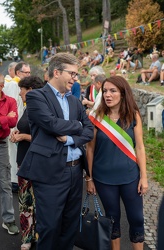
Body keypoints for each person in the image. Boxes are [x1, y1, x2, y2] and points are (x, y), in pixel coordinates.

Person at [17, 52, 94, 250]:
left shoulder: (75, 101)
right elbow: (52, 125)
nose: (76, 79)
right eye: (73, 74)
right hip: (50, 172)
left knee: (70, 227)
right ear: (57, 72)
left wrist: (69, 137)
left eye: (77, 75)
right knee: (50, 227)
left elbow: (89, 132)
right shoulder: (36, 96)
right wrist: (77, 124)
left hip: (75, 171)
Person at [86, 76, 148, 250]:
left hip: (130, 177)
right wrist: (89, 179)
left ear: (123, 93)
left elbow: (140, 148)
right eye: (105, 91)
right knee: (112, 219)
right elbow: (89, 149)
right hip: (104, 179)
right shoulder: (96, 117)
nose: (107, 94)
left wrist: (144, 177)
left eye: (113, 91)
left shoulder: (133, 115)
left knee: (137, 218)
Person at [10, 76, 44, 250]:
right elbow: (25, 127)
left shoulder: (41, 109)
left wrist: (23, 136)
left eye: (21, 89)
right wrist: (17, 132)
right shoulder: (27, 107)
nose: (20, 93)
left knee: (38, 201)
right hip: (23, 160)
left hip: (37, 162)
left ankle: (39, 234)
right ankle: (27, 237)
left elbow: (45, 137)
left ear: (29, 89)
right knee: (24, 202)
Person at [3, 61, 31, 193]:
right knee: (14, 155)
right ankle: (14, 181)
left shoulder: (22, 85)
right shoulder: (14, 85)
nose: (29, 74)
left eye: (30, 72)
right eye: (26, 72)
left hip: (20, 126)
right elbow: (13, 107)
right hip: (15, 126)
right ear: (18, 73)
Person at [0, 72, 19, 235]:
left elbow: (14, 121)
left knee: (5, 183)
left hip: (1, 145)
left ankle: (9, 220)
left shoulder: (10, 101)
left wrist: (2, 120)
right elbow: (8, 120)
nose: (1, 85)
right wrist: (5, 118)